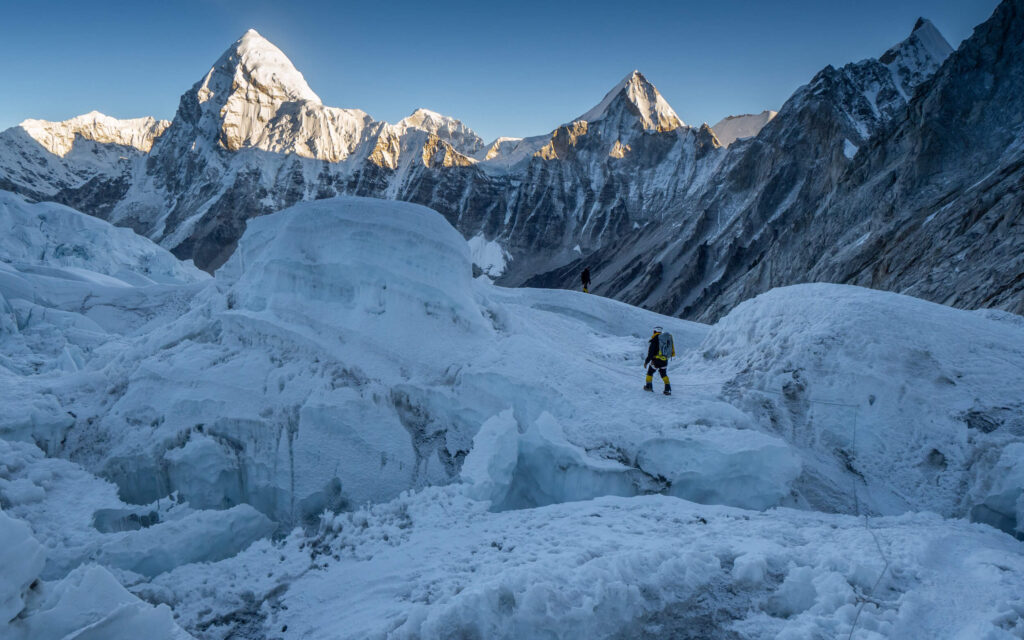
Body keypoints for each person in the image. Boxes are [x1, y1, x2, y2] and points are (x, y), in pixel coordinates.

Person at [644, 326, 672, 395]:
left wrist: (646, 362)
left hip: (656, 361)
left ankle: (648, 387)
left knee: (650, 372)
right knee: (663, 374)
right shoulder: (665, 340)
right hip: (664, 361)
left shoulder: (654, 340)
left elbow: (650, 353)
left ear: (654, 332)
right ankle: (667, 389)